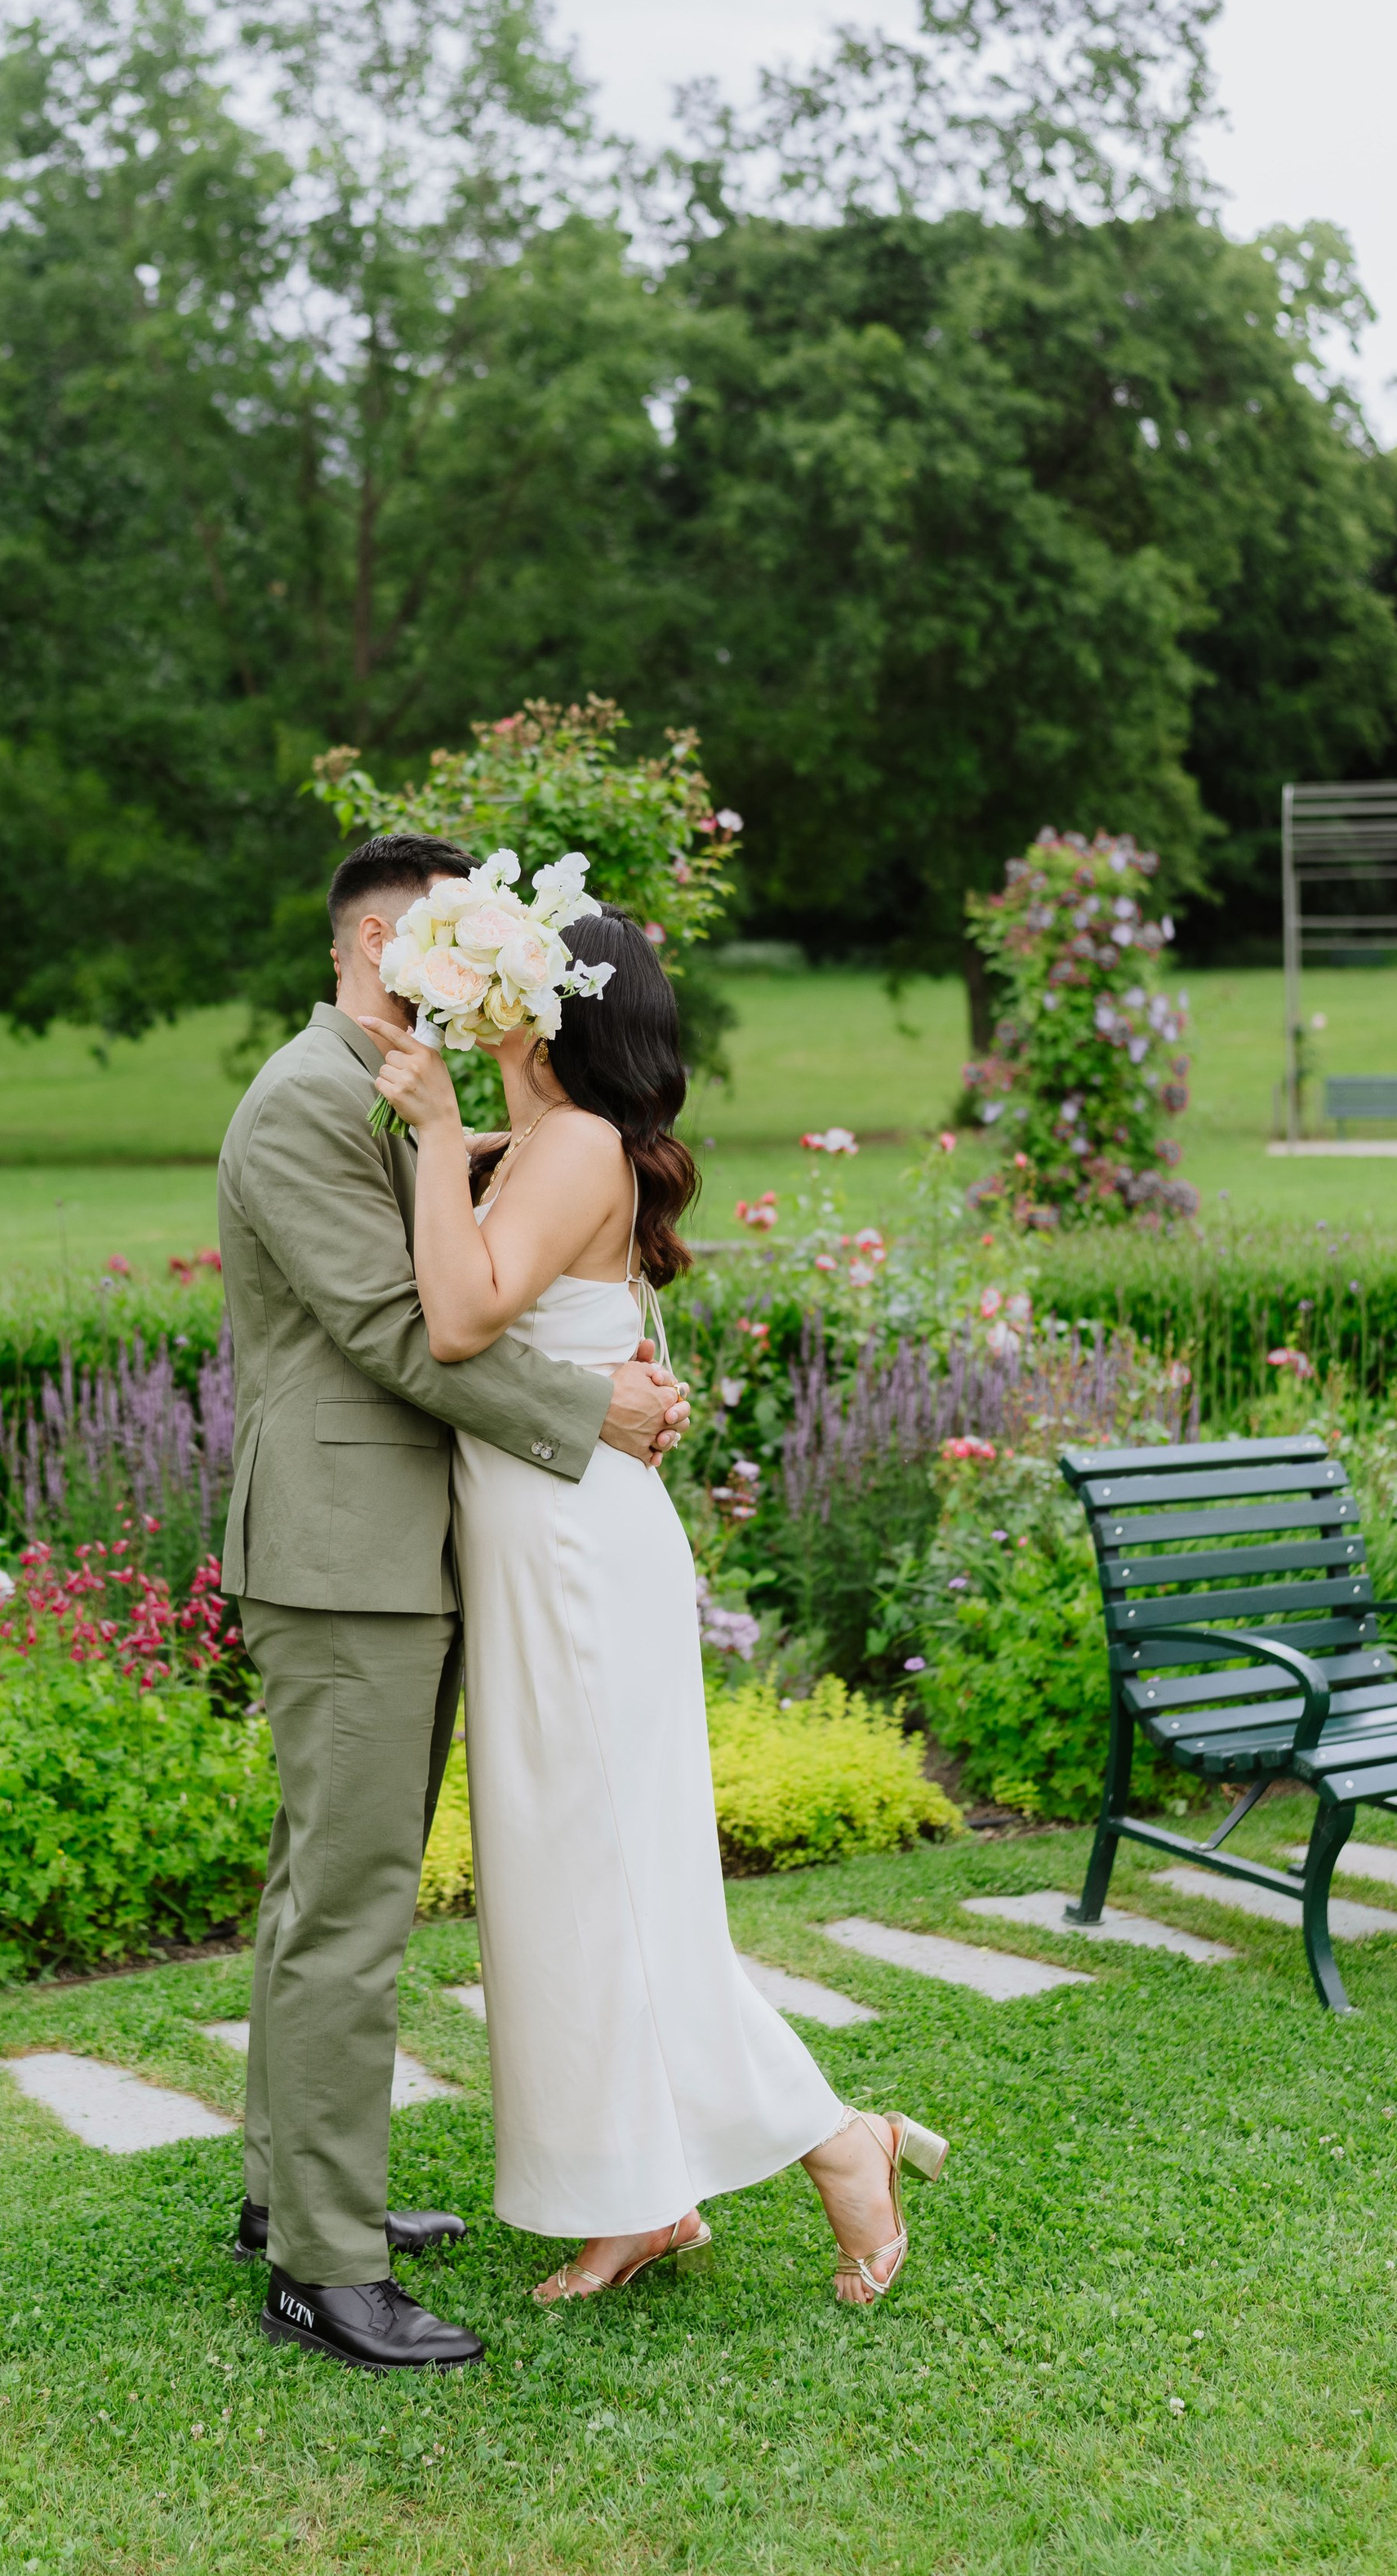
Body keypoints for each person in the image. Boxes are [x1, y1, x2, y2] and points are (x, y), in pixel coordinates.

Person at [358, 904, 946, 2308]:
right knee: (562, 1900)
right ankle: (639, 2200)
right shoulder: (549, 1145)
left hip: (573, 1564)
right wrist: (464, 1148)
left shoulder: (571, 1146)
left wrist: (442, 1137)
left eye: (505, 977)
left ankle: (835, 2137)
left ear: (550, 1009)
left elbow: (457, 1321)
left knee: (621, 1895)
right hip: (541, 1553)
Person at [216, 836, 692, 2374]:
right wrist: (590, 1412)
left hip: (399, 1550)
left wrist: (486, 1156)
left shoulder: (386, 1090)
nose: (486, 971)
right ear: (378, 945)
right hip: (343, 1555)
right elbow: (395, 1332)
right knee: (346, 1911)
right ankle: (324, 2268)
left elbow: (487, 1242)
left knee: (325, 1895)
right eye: (458, 944)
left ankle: (295, 2201)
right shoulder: (300, 1100)